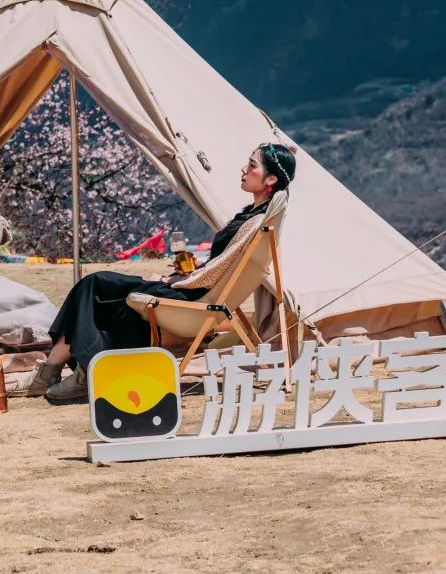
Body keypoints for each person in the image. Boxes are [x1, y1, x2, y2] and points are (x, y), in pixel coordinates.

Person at [26, 140, 297, 404]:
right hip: (194, 290)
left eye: (252, 166)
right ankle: (70, 371)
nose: (243, 169)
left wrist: (176, 280)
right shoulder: (254, 215)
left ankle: (64, 372)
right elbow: (222, 266)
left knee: (96, 284)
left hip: (192, 300)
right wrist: (185, 275)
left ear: (270, 179)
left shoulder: (254, 223)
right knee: (98, 289)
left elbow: (219, 270)